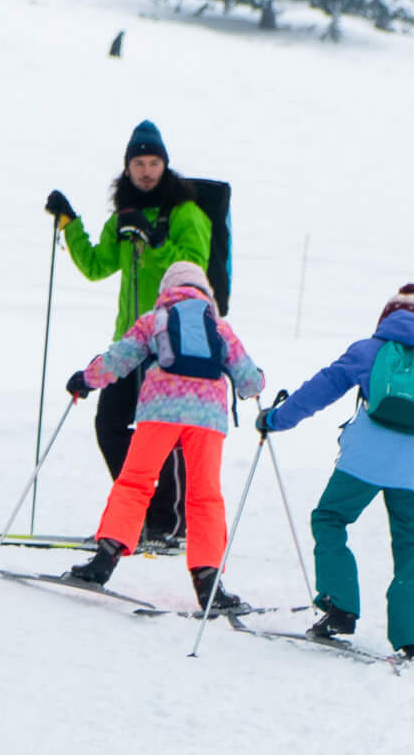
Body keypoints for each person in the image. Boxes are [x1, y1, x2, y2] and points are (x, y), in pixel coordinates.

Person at [256, 282, 414, 658]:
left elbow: (320, 389)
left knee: (330, 518)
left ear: (386, 317)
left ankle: (340, 608)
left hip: (363, 461)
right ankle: (412, 635)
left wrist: (275, 419)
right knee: (411, 544)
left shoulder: (367, 351)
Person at [46, 120, 224, 554]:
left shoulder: (187, 214)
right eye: (138, 163)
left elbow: (194, 271)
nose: (146, 171)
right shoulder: (123, 217)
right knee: (110, 425)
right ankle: (147, 515)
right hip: (130, 342)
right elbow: (94, 266)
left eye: (153, 162)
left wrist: (156, 240)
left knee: (164, 434)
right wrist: (69, 224)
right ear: (127, 168)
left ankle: (167, 523)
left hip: (174, 345)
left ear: (165, 166)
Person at [61, 261, 264, 615]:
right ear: (206, 293)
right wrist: (259, 381)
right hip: (207, 418)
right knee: (204, 497)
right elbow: (248, 381)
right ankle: (209, 583)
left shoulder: (153, 318)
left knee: (135, 482)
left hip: (160, 411)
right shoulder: (218, 326)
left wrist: (86, 379)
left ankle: (103, 561)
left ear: (167, 289)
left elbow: (118, 359)